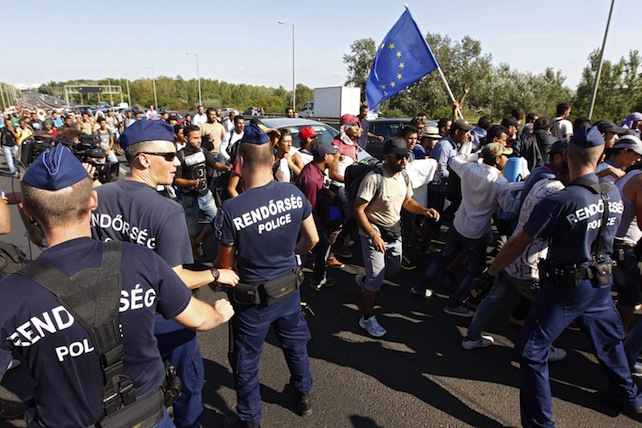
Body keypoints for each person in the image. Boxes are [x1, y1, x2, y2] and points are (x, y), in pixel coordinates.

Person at [0, 144, 235, 427]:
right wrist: (219, 312)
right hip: (147, 416)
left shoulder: (11, 295)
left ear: (27, 210)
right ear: (93, 202)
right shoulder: (140, 261)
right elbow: (199, 318)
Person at [483, 125, 642, 426]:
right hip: (601, 282)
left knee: (532, 352)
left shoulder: (561, 200)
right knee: (609, 342)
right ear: (602, 155)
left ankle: (540, 424)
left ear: (566, 155)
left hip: (566, 287)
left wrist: (491, 270)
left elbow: (519, 242)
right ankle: (630, 395)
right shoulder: (614, 193)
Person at [91, 120, 239, 428]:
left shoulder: (98, 197)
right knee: (187, 383)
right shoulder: (166, 210)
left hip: (110, 318)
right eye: (169, 156)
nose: (177, 162)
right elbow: (175, 279)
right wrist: (214, 275)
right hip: (163, 318)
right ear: (143, 159)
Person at [213, 123, 319, 428]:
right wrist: (290, 254)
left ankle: (250, 419)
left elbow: (224, 267)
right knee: (295, 345)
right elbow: (312, 240)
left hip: (252, 300)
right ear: (272, 159)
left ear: (241, 163)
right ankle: (303, 396)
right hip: (288, 289)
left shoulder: (231, 209)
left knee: (247, 362)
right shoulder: (293, 192)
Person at [412, 142, 520, 317]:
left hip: (459, 224)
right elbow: (511, 210)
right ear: (497, 159)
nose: (507, 159)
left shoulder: (469, 169)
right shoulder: (499, 183)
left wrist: (474, 156)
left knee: (443, 257)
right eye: (505, 156)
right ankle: (454, 304)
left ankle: (419, 286)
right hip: (476, 232)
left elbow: (454, 160)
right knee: (475, 270)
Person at [354, 138, 439, 337]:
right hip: (373, 233)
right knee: (377, 278)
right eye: (399, 157)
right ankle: (367, 318)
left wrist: (423, 210)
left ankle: (366, 280)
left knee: (393, 268)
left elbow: (407, 201)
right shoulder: (373, 179)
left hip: (394, 232)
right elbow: (358, 209)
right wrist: (373, 234)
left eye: (406, 157)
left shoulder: (404, 177)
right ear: (386, 157)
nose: (404, 161)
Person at [175, 124, 230, 257]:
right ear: (186, 138)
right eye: (195, 138)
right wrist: (192, 183)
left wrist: (227, 168)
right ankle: (194, 259)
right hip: (189, 199)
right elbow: (176, 180)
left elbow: (214, 164)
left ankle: (203, 243)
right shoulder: (180, 156)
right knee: (192, 231)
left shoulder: (202, 151)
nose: (199, 140)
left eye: (199, 137)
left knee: (219, 222)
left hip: (206, 196)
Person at [296, 141, 340, 290]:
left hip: (313, 222)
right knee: (317, 248)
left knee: (322, 247)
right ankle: (312, 281)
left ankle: (317, 278)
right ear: (325, 156)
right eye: (332, 155)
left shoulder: (314, 171)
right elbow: (308, 209)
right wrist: (313, 234)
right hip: (308, 224)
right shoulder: (311, 179)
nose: (335, 158)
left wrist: (327, 192)